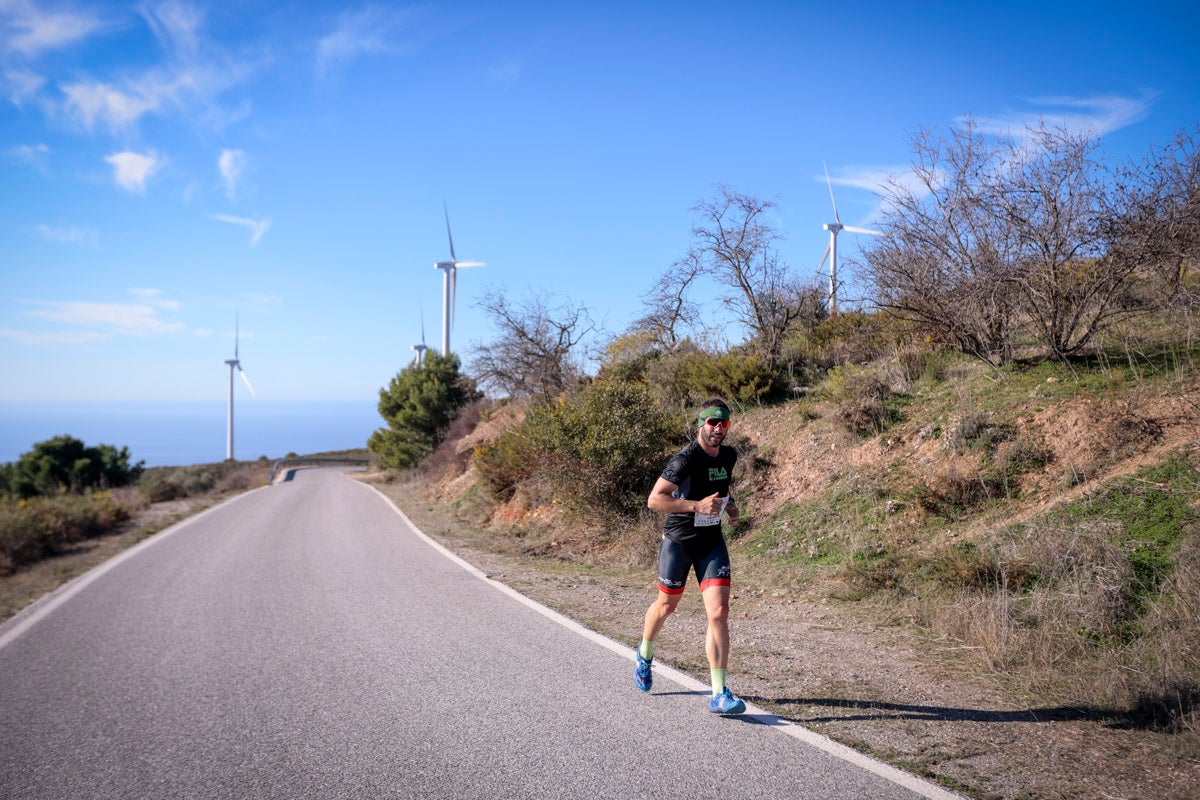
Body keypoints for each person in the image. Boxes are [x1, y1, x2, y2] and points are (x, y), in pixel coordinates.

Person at [634, 397, 746, 714]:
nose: (718, 429)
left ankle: (718, 693)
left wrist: (730, 506)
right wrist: (696, 506)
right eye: (712, 422)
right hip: (679, 542)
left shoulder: (729, 456)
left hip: (710, 542)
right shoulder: (684, 460)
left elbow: (722, 487)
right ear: (701, 424)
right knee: (666, 606)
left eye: (724, 423)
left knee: (719, 612)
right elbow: (655, 499)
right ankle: (644, 653)